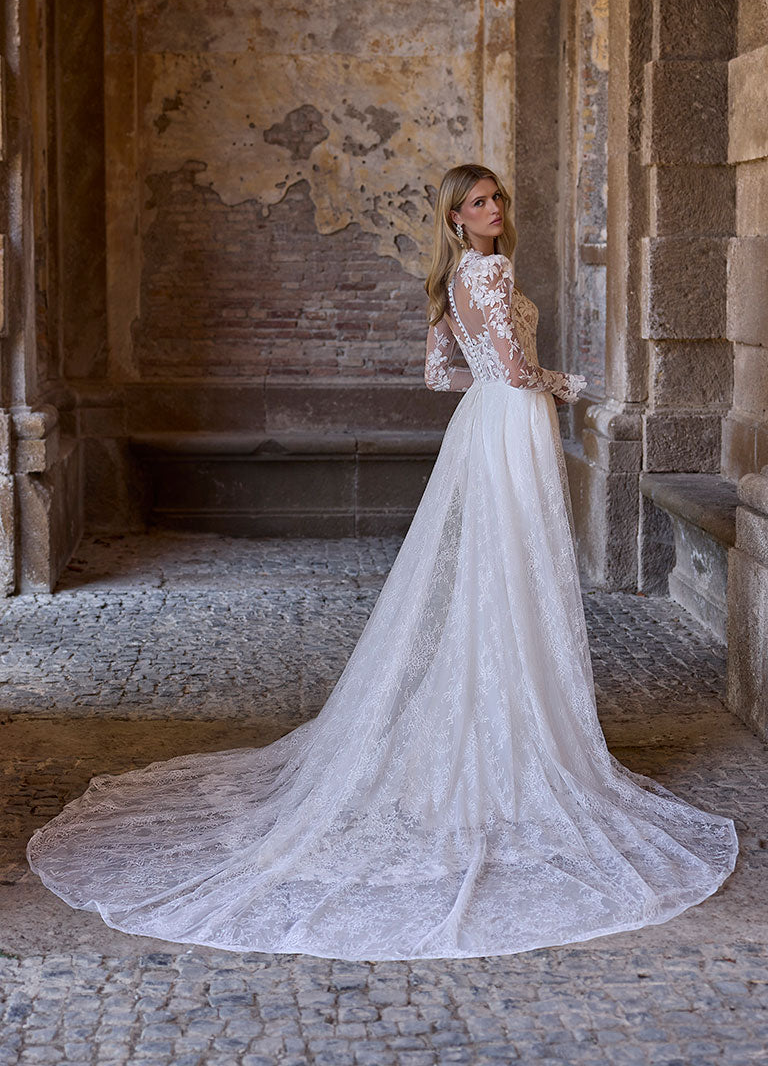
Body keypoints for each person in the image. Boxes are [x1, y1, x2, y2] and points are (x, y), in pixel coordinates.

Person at [26, 163, 738, 962]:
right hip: (512, 423)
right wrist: (566, 383)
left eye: (498, 196)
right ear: (455, 217)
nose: (494, 209)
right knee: (512, 571)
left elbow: (443, 376)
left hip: (483, 425)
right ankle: (517, 732)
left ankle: (500, 711)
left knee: (491, 574)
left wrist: (502, 390)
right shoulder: (494, 271)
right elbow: (510, 365)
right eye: (477, 202)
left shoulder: (450, 283)